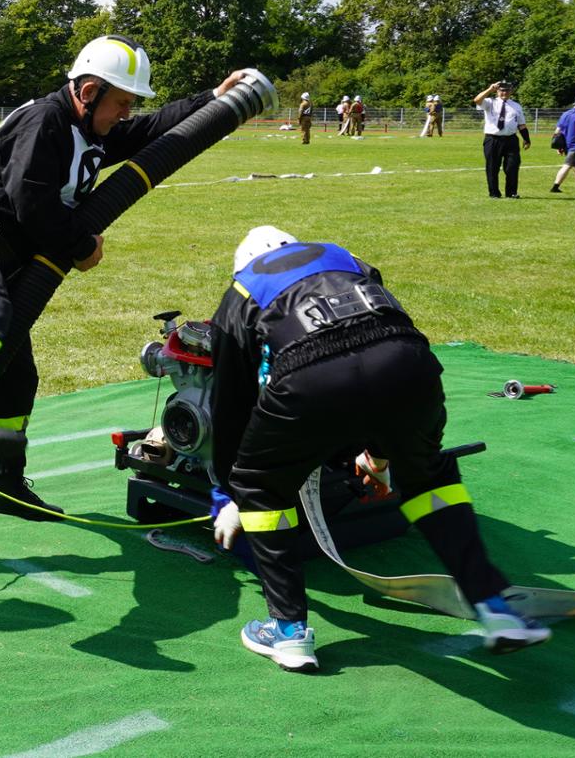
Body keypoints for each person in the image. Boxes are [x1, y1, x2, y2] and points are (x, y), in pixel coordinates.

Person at [0, 35, 246, 521]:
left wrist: (210, 102)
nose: (125, 114)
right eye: (120, 103)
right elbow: (32, 204)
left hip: (6, 256)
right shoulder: (45, 121)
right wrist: (81, 244)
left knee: (17, 375)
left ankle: (4, 486)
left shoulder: (88, 126)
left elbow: (151, 133)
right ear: (88, 91)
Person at [207, 226, 551, 672]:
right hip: (409, 365)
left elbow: (230, 406)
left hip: (311, 378)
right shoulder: (345, 258)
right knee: (430, 477)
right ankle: (497, 607)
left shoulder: (241, 289)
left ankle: (288, 632)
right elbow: (372, 341)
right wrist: (382, 454)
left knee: (261, 488)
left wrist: (232, 489)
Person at [473, 80, 529, 198]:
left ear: (511, 91)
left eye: (507, 90)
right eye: (502, 90)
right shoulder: (490, 102)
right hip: (493, 139)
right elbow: (477, 100)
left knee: (512, 167)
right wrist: (489, 89)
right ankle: (494, 193)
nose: (504, 92)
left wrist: (526, 139)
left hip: (511, 139)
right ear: (497, 91)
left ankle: (511, 192)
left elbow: (521, 125)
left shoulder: (516, 106)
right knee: (492, 167)